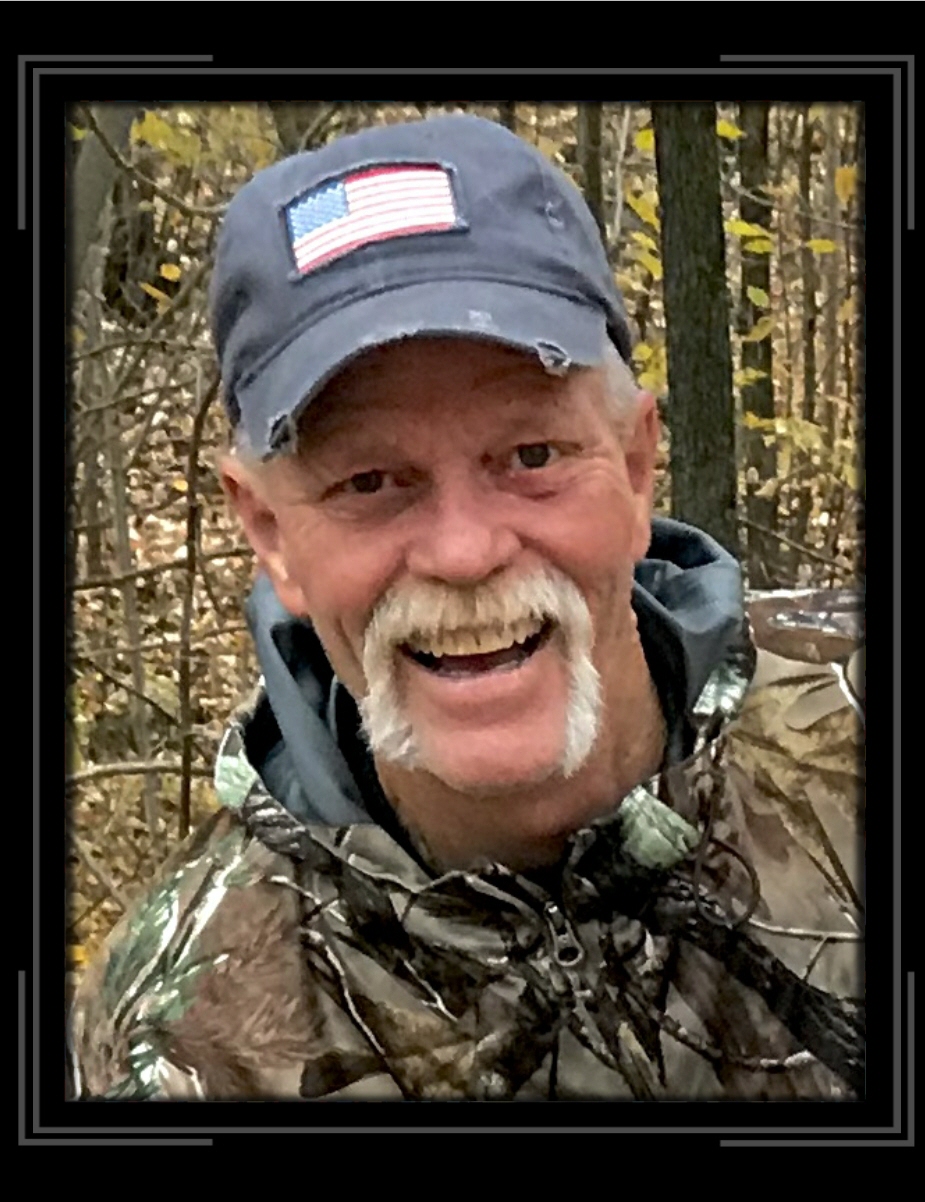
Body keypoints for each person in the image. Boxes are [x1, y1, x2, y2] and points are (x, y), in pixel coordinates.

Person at [68, 113, 863, 1101]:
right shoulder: (180, 1039)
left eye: (530, 456)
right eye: (369, 481)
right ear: (270, 533)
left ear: (633, 467)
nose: (463, 552)